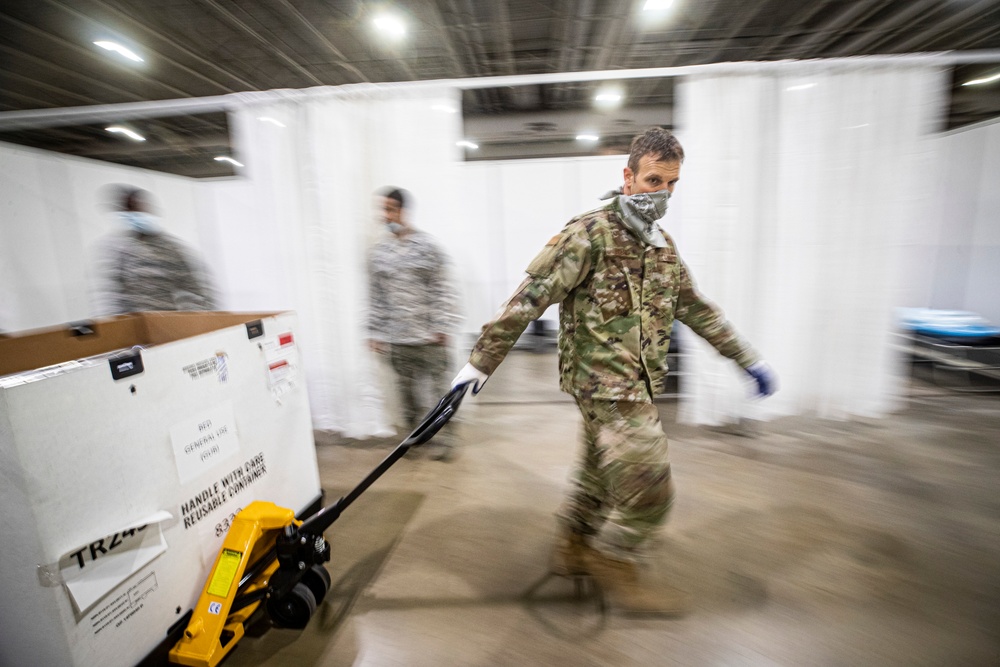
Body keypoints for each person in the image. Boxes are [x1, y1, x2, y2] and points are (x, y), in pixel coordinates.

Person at [451, 127, 776, 615]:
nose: (662, 194)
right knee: (649, 486)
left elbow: (698, 310)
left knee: (599, 474)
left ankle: (573, 546)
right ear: (627, 176)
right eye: (652, 181)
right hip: (603, 384)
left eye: (671, 185)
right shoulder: (589, 233)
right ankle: (617, 559)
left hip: (640, 384)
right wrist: (480, 361)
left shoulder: (662, 246)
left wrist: (747, 357)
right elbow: (529, 298)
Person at [367, 187, 461, 461]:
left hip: (429, 337)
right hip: (398, 338)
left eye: (389, 210)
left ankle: (448, 438)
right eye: (382, 210)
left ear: (403, 212)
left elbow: (443, 287)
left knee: (439, 393)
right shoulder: (379, 253)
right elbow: (377, 295)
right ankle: (413, 438)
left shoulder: (428, 247)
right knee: (406, 395)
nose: (384, 216)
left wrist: (443, 325)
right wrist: (375, 331)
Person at [92, 186, 217, 316]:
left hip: (166, 320)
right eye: (129, 210)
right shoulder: (114, 249)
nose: (134, 215)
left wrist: (198, 320)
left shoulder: (170, 248)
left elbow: (194, 289)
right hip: (130, 323)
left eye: (138, 209)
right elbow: (109, 293)